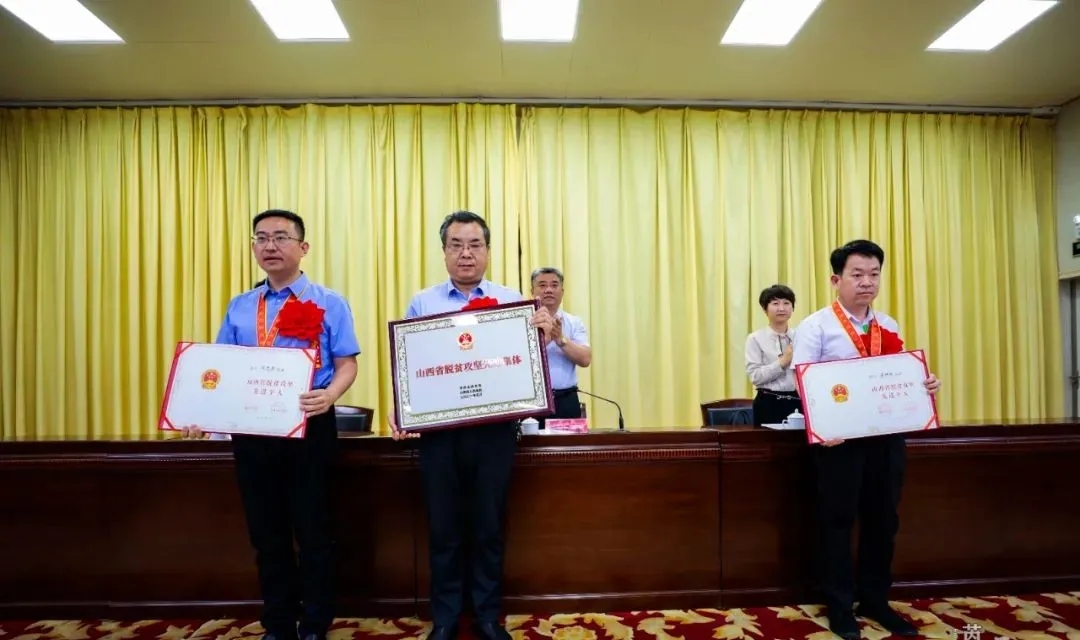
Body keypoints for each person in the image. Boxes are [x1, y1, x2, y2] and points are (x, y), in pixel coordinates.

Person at [182, 209, 361, 640]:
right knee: (267, 534)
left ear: (303, 247)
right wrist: (200, 414)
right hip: (252, 432)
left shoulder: (330, 302)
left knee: (314, 531)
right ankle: (278, 623)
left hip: (308, 426)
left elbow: (346, 364)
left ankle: (314, 623)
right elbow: (219, 368)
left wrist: (330, 395)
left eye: (281, 237)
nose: (270, 246)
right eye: (261, 238)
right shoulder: (241, 306)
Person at [389, 211, 555, 640]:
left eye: (475, 244)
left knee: (488, 526)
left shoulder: (511, 301)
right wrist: (403, 407)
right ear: (444, 251)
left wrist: (543, 334)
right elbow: (412, 365)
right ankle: (445, 618)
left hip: (494, 433)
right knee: (443, 528)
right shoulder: (423, 303)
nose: (466, 253)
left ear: (487, 250)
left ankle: (486, 615)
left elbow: (525, 364)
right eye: (456, 245)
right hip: (440, 436)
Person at [791, 239, 940, 639]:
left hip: (886, 440)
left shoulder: (887, 324)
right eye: (857, 274)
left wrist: (923, 383)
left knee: (883, 521)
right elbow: (803, 381)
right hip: (839, 443)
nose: (867, 282)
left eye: (874, 274)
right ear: (835, 279)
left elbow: (896, 376)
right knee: (837, 522)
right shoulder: (816, 326)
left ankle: (875, 599)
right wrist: (823, 425)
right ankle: (840, 606)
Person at [530, 267, 591, 427]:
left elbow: (585, 359)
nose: (548, 290)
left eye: (554, 285)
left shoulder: (574, 322)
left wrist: (560, 339)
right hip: (531, 401)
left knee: (567, 443)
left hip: (566, 400)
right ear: (532, 291)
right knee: (529, 443)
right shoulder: (523, 321)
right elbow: (519, 359)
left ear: (562, 292)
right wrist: (545, 340)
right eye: (542, 285)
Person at [744, 284, 800, 425]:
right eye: (775, 303)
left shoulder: (801, 337)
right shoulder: (755, 339)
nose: (781, 308)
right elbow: (755, 376)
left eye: (786, 303)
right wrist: (783, 362)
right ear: (765, 309)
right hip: (768, 403)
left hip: (798, 401)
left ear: (792, 308)